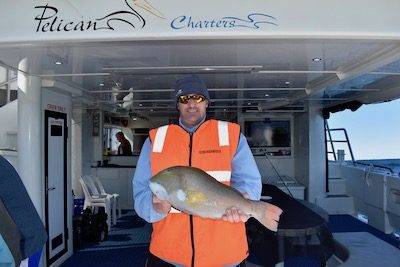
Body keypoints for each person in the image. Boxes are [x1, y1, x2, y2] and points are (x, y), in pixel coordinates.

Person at [133, 75, 263, 267]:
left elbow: (250, 183)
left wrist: (243, 204)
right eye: (185, 99)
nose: (192, 104)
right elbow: (141, 191)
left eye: (198, 98)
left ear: (207, 103)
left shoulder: (232, 135)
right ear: (178, 104)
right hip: (170, 253)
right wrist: (154, 208)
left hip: (224, 252)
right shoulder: (155, 139)